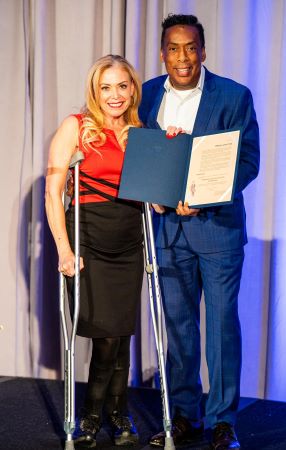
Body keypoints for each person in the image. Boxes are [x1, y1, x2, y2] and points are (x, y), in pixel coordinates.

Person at [139, 14, 260, 450]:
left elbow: (248, 160)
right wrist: (152, 192)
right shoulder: (148, 94)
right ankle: (184, 417)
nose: (183, 57)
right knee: (180, 329)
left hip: (218, 231)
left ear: (203, 51)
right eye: (174, 48)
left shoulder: (233, 95)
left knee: (223, 328)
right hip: (168, 230)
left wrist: (205, 195)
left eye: (191, 47)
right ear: (163, 53)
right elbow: (142, 155)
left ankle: (224, 421)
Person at [45, 55, 144, 448]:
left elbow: (154, 198)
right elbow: (53, 193)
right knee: (105, 335)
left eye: (122, 86)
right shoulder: (76, 127)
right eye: (106, 87)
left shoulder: (138, 132)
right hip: (89, 238)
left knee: (123, 334)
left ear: (132, 89)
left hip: (129, 240)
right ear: (95, 91)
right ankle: (92, 414)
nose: (114, 95)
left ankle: (119, 416)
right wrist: (63, 249)